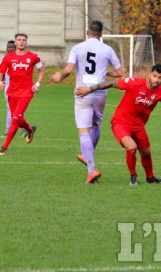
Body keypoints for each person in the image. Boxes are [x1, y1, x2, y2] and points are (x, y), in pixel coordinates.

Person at [49, 20, 123, 184]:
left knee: (83, 131)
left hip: (83, 94)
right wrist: (103, 74)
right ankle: (87, 155)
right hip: (100, 93)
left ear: (87, 31)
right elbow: (119, 73)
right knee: (95, 126)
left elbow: (68, 69)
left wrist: (59, 77)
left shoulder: (78, 48)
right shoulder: (107, 49)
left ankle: (91, 171)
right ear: (101, 34)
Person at [75, 64, 161, 185]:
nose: (157, 80)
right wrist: (89, 89)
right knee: (131, 147)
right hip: (120, 122)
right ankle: (133, 177)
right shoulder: (134, 83)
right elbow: (111, 83)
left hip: (138, 126)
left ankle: (150, 178)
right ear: (150, 74)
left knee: (146, 153)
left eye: (160, 78)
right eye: (154, 76)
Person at [0, 33, 45, 155]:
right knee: (17, 118)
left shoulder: (33, 57)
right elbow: (0, 73)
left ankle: (4, 147)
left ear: (26, 42)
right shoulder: (8, 58)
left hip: (26, 93)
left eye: (23, 40)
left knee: (16, 119)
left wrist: (37, 85)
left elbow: (42, 71)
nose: (21, 42)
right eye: (19, 40)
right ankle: (30, 129)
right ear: (15, 42)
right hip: (12, 92)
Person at [0, 40, 17, 138]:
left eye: (12, 47)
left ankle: (10, 131)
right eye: (9, 47)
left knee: (16, 110)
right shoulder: (4, 59)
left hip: (19, 87)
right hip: (8, 87)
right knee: (11, 109)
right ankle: (20, 130)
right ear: (6, 48)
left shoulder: (20, 58)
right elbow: (1, 74)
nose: (11, 48)